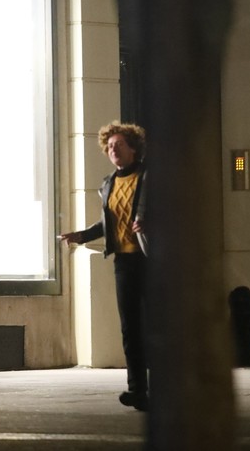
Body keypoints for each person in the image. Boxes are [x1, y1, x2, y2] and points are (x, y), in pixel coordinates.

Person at [59, 121, 150, 411]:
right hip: (124, 261)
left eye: (119, 145)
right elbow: (107, 223)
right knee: (130, 329)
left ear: (133, 148)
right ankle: (138, 390)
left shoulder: (150, 176)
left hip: (152, 259)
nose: (113, 150)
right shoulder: (108, 183)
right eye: (109, 147)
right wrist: (81, 236)